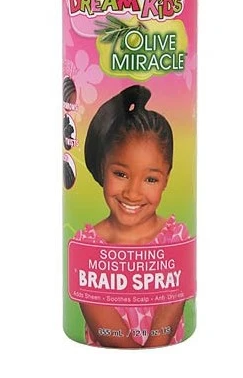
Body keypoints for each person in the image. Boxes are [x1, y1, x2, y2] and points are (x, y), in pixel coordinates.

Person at [73, 84, 190, 347]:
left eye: (151, 179)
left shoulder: (175, 238)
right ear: (102, 168)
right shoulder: (87, 246)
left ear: (166, 179)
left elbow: (164, 331)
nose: (133, 193)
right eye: (121, 174)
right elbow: (110, 335)